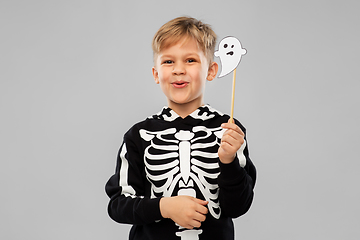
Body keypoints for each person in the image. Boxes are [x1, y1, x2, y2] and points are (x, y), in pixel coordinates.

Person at [105, 16, 256, 240]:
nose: (178, 70)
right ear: (156, 74)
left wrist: (228, 161)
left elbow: (238, 207)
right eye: (168, 62)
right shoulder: (138, 136)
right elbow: (118, 205)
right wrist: (164, 207)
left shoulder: (229, 131)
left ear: (211, 71)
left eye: (190, 60)